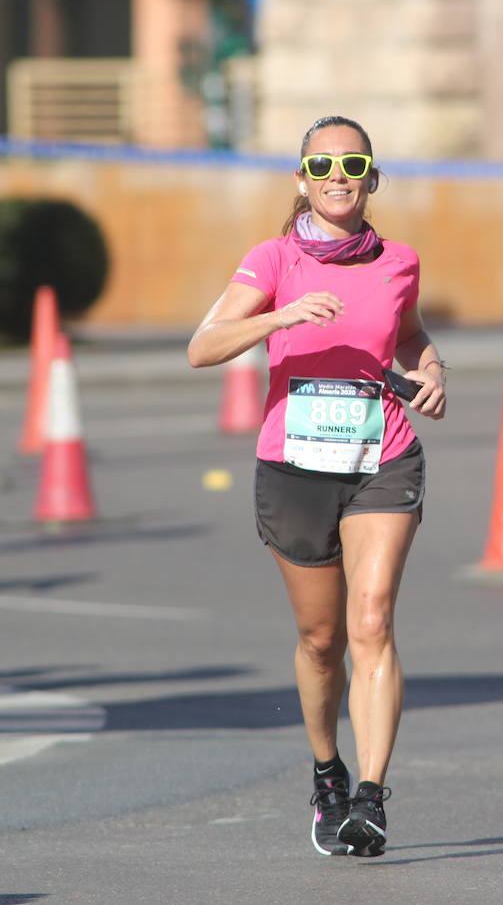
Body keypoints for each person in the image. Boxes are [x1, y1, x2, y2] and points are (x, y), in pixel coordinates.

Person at [187, 115, 446, 858]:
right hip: (294, 468)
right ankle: (327, 771)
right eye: (322, 164)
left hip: (381, 460)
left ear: (371, 178)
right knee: (322, 638)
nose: (338, 175)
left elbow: (412, 335)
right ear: (301, 179)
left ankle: (370, 798)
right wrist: (282, 314)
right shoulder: (270, 259)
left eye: (353, 163)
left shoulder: (399, 260)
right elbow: (202, 348)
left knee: (371, 624)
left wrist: (430, 374)